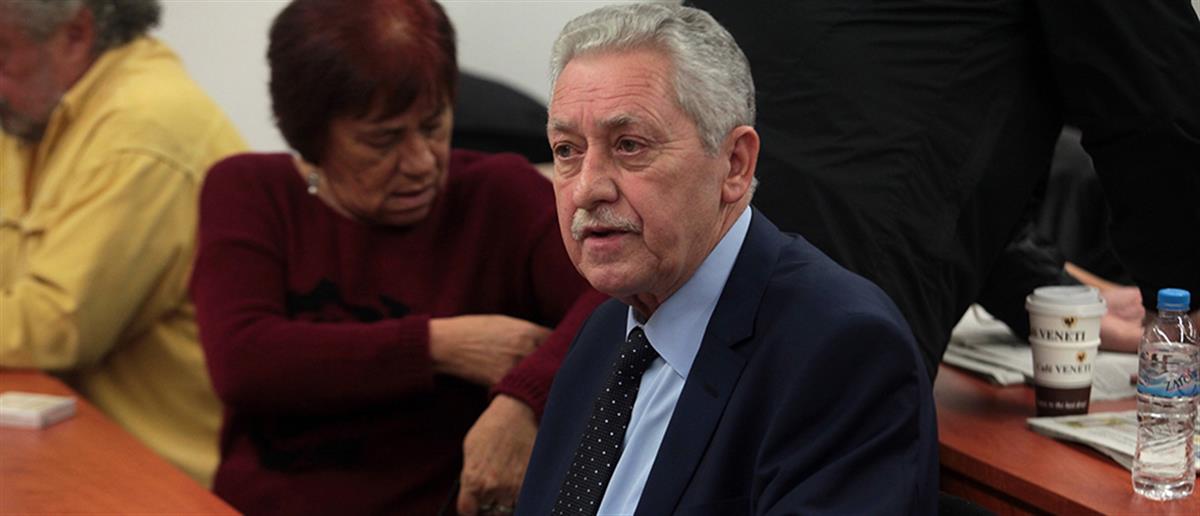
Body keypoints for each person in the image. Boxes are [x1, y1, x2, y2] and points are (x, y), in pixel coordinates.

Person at [517, 5, 938, 514]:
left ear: (735, 165)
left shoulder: (842, 351)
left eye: (629, 146)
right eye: (567, 150)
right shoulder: (605, 333)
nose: (587, 189)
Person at [189, 0, 602, 514]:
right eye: (382, 141)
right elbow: (243, 361)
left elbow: (616, 295)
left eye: (433, 126)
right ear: (310, 137)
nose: (421, 162)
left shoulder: (499, 196)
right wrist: (439, 345)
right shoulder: (248, 190)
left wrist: (525, 401)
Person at [688, 0, 1200, 377]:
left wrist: (1045, 295)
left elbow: (921, 91)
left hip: (695, 257)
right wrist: (1182, 308)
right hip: (838, 310)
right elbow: (1160, 115)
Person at [0, 0, 245, 486]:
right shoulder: (36, 112)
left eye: (1, 52)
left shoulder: (141, 127)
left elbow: (55, 327)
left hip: (169, 483)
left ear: (76, 34)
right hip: (75, 455)